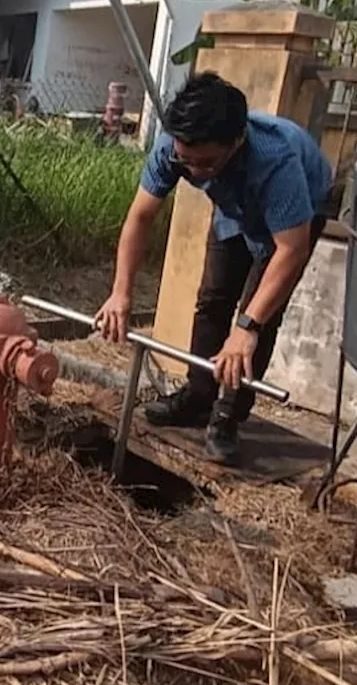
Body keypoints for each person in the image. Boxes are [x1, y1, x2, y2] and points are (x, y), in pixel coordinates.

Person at [94, 71, 334, 467]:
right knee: (212, 298)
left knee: (254, 316)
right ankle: (199, 395)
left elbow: (291, 250)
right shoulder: (175, 148)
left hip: (296, 213)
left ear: (236, 142)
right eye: (185, 161)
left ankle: (228, 416)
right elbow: (139, 218)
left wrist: (248, 328)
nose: (193, 170)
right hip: (234, 207)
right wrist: (121, 292)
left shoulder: (277, 163)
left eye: (205, 162)